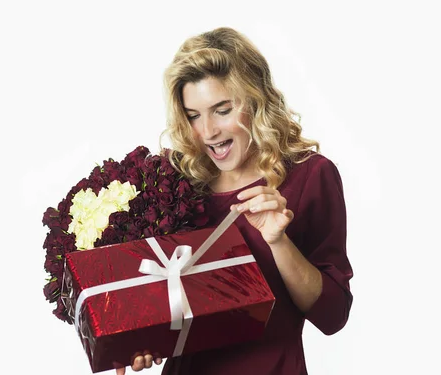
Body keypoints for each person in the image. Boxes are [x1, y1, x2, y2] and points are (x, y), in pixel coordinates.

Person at [115, 27, 353, 375]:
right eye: (193, 115)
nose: (208, 131)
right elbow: (169, 303)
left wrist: (279, 242)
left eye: (222, 109)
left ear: (256, 101)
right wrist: (139, 336)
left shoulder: (309, 176)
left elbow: (333, 316)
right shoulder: (177, 182)